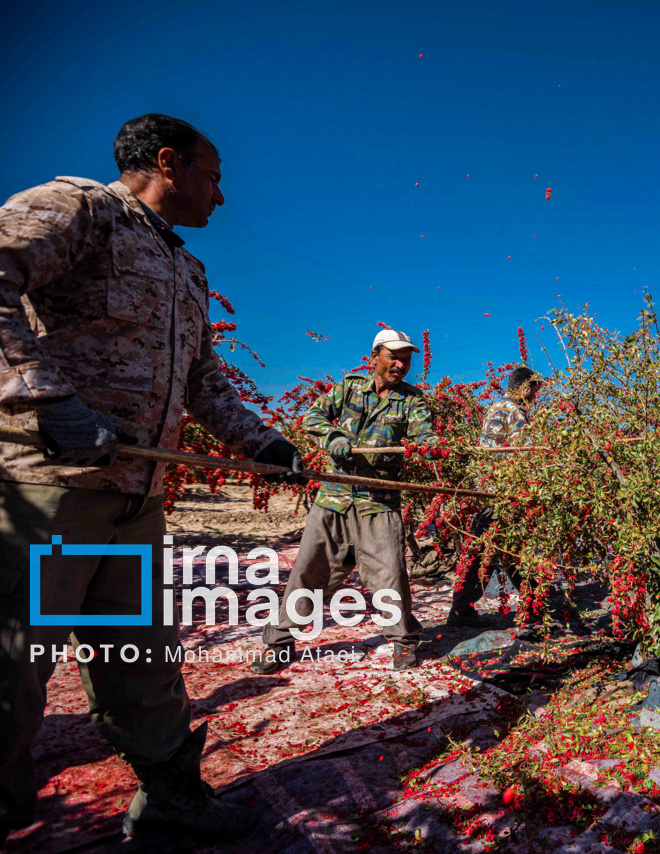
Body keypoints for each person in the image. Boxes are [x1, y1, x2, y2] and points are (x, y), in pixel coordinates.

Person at [0, 114, 304, 842]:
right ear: (167, 162)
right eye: (213, 178)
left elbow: (202, 379)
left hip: (133, 500)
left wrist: (260, 441)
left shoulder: (184, 269)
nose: (221, 198)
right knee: (13, 664)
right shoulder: (79, 211)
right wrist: (47, 400)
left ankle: (170, 798)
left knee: (143, 659)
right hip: (51, 491)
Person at [252, 329, 431, 674]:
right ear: (375, 356)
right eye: (393, 356)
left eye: (406, 358)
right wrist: (333, 435)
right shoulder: (349, 388)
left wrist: (430, 446)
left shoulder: (412, 401)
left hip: (378, 503)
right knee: (308, 573)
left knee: (390, 577)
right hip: (332, 501)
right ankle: (279, 643)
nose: (400, 364)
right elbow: (312, 417)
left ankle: (403, 641)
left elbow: (425, 435)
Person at [447, 365, 539, 627]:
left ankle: (462, 608)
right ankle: (533, 605)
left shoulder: (495, 407)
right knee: (511, 550)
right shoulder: (515, 412)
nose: (535, 394)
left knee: (488, 549)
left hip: (488, 490)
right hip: (505, 492)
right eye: (534, 388)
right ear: (524, 388)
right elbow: (525, 452)